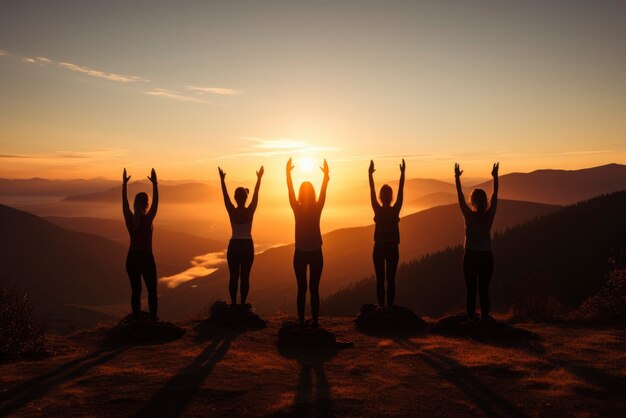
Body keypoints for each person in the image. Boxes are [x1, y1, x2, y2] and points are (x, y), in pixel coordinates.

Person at [286, 157, 330, 327]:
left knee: (302, 289)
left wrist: (287, 174)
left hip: (300, 253)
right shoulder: (317, 208)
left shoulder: (297, 208)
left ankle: (302, 321)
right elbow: (324, 191)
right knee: (314, 289)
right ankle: (316, 322)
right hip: (316, 252)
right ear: (312, 193)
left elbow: (289, 191)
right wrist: (325, 176)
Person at [455, 162, 499, 321]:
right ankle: (485, 320)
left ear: (472, 201)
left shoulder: (469, 216)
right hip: (487, 256)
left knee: (471, 290)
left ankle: (471, 320)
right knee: (484, 290)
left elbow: (460, 198)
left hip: (471, 256)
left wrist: (457, 179)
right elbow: (495, 196)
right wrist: (495, 177)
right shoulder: (489, 216)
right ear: (484, 201)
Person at [218, 165, 264, 306]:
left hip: (234, 245)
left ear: (236, 198)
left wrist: (222, 180)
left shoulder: (232, 210)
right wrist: (259, 178)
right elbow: (256, 194)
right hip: (247, 245)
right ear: (245, 198)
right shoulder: (250, 211)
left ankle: (233, 304)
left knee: (233, 277)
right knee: (245, 277)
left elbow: (225, 196)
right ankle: (243, 305)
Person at [122, 168, 159, 320]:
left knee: (136, 292)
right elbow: (157, 201)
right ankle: (153, 320)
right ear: (147, 204)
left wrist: (124, 184)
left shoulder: (130, 219)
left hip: (132, 258)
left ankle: (136, 320)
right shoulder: (148, 218)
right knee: (152, 291)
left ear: (135, 203)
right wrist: (155, 183)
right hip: (146, 257)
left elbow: (123, 202)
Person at [368, 159, 405, 308]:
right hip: (392, 248)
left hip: (379, 248)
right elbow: (401, 192)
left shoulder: (377, 209)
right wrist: (402, 174)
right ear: (390, 196)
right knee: (390, 279)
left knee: (380, 279)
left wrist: (370, 175)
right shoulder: (395, 210)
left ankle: (382, 307)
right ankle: (389, 307)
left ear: (381, 197)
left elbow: (371, 191)